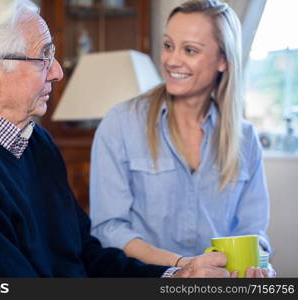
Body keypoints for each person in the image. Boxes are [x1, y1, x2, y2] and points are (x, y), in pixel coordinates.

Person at [0, 0, 233, 278]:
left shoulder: (35, 141)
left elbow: (85, 254)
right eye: (43, 56)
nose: (57, 71)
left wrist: (176, 276)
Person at [90, 0, 273, 277]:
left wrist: (260, 266)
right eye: (168, 45)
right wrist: (182, 266)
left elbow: (253, 233)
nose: (172, 60)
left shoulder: (245, 139)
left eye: (190, 50)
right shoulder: (121, 124)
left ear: (223, 60)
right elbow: (109, 228)